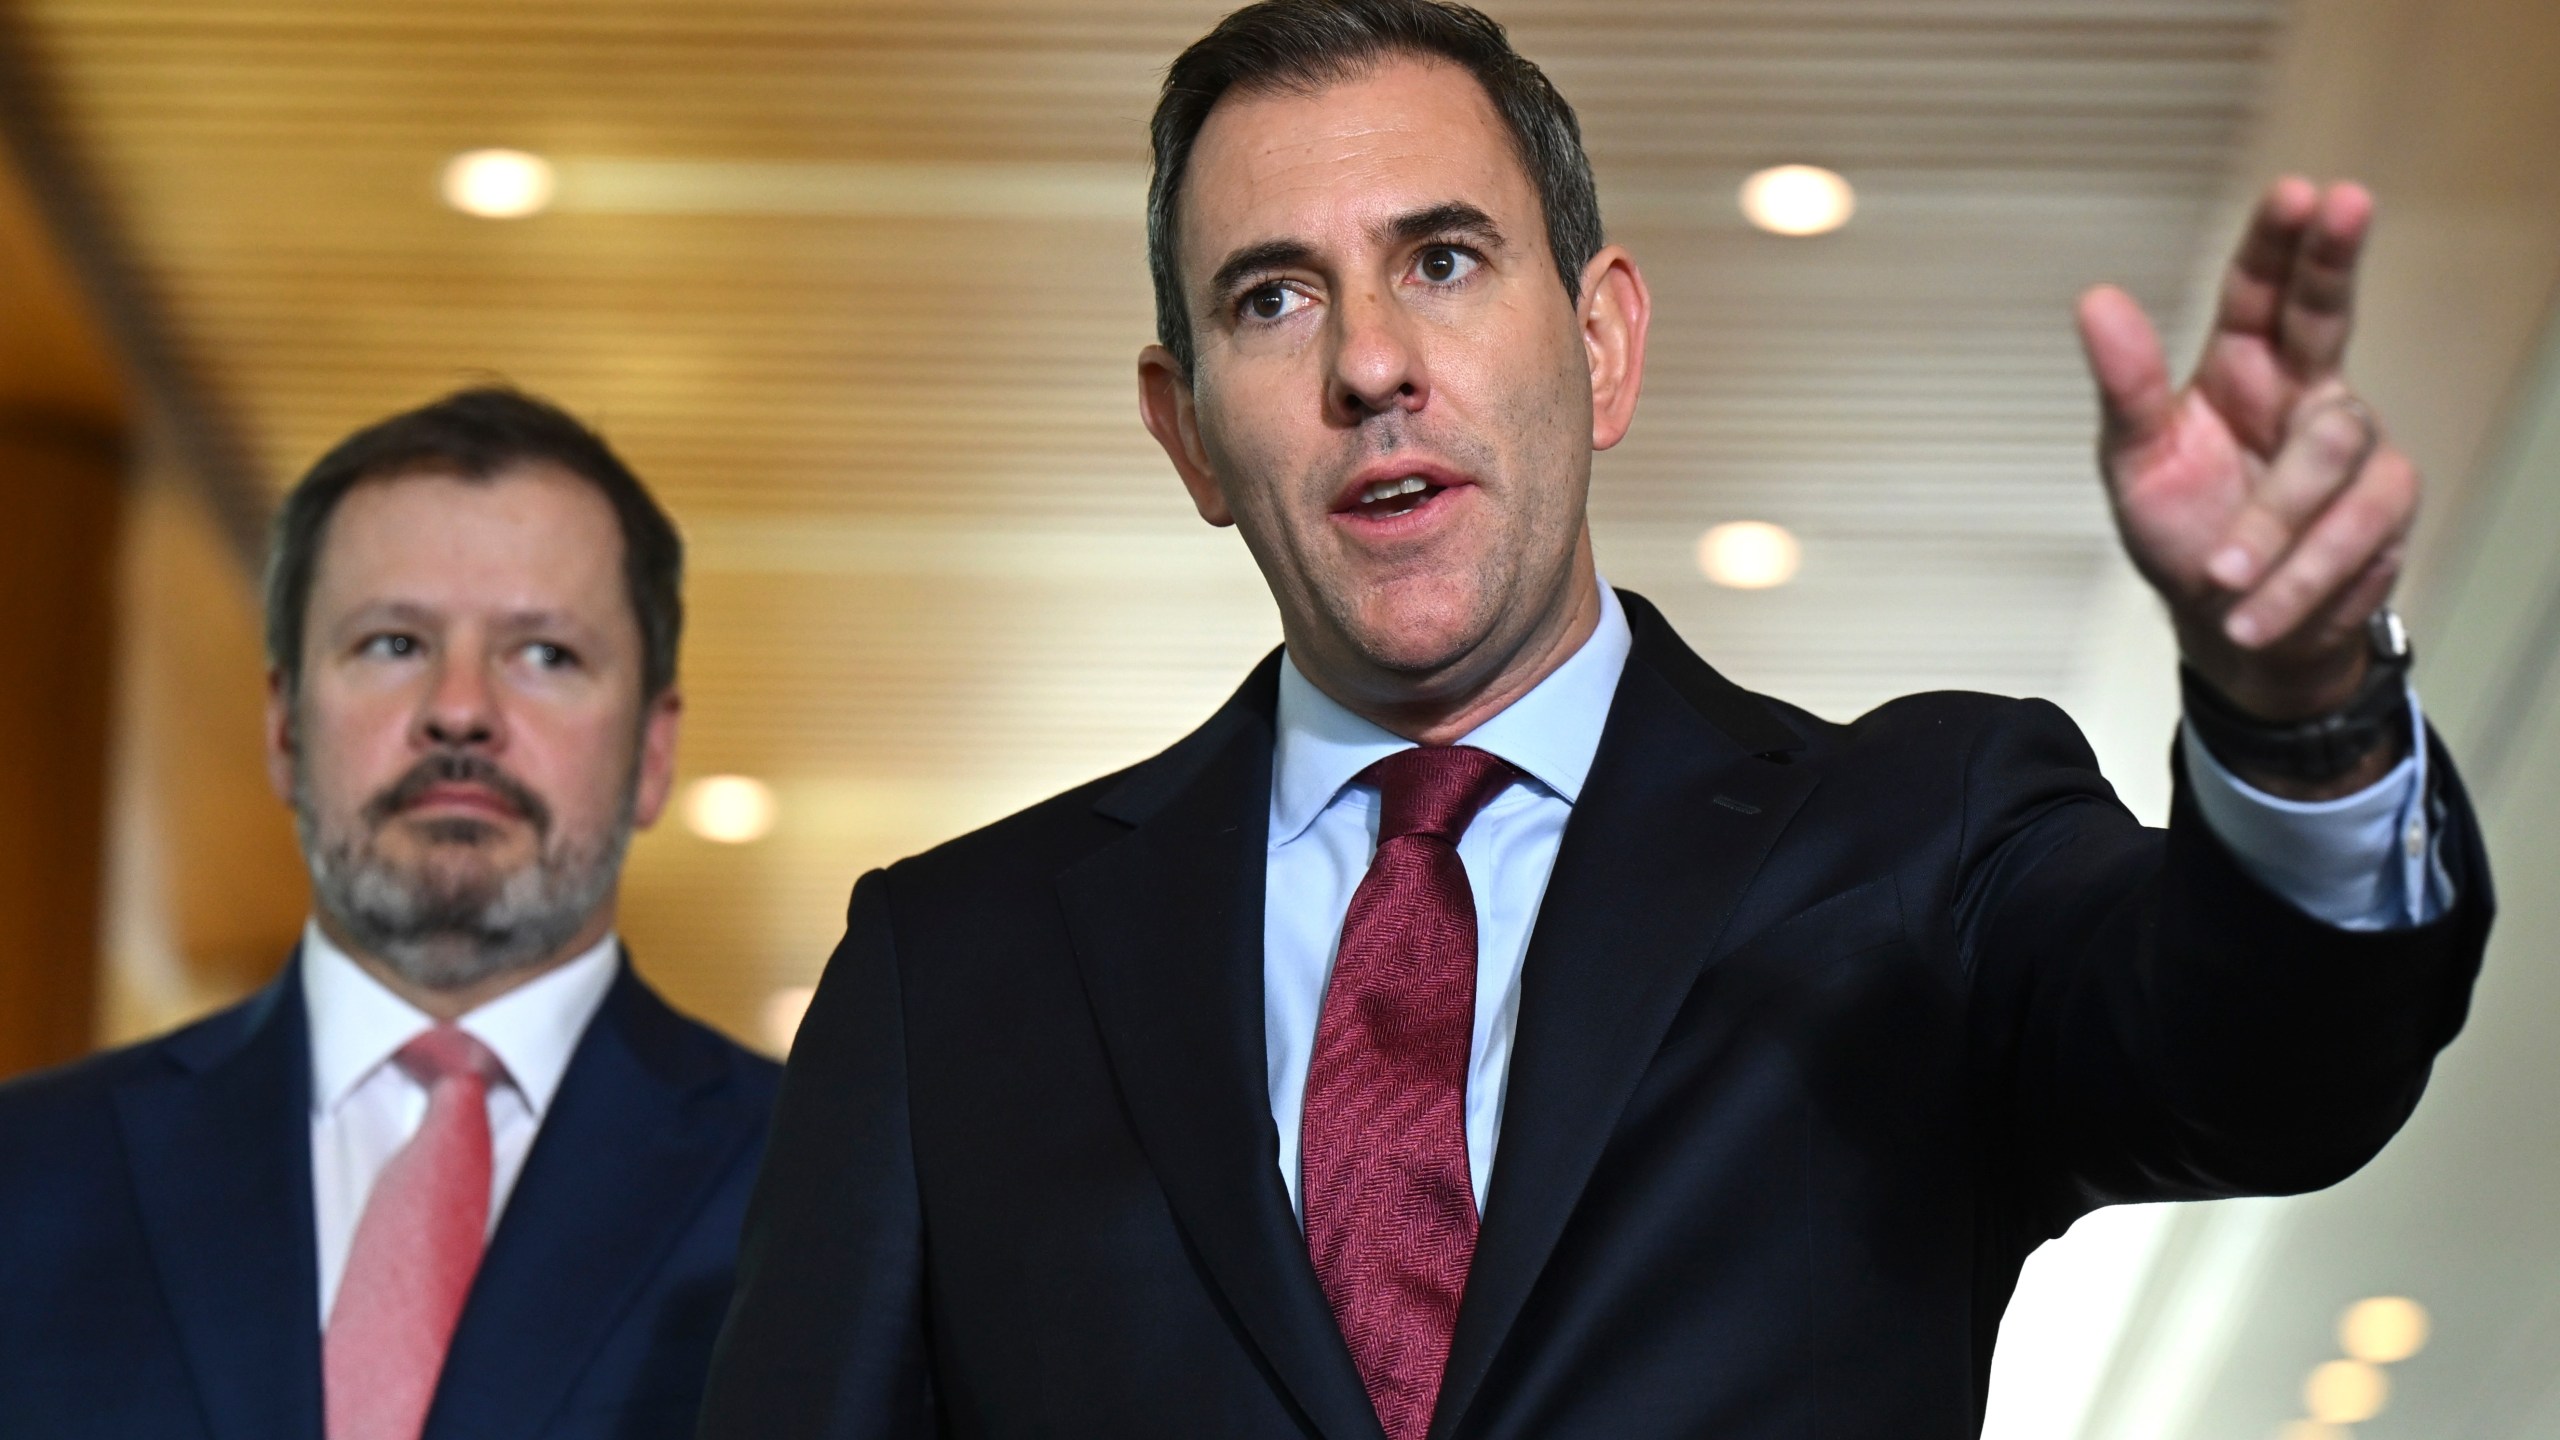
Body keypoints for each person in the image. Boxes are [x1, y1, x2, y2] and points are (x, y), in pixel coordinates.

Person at [698, 3, 2493, 1436]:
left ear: (1605, 342)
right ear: (1186, 435)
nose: (1372, 364)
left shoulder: (1915, 841)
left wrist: (2299, 707)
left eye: (1447, 261)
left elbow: (2275, 1071)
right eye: (1274, 296)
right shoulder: (958, 972)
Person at [0, 388, 781, 1440]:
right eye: (392, 644)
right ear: (283, 727)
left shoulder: (816, 1186)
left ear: (653, 750)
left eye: (544, 653)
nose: (459, 710)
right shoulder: (29, 1176)